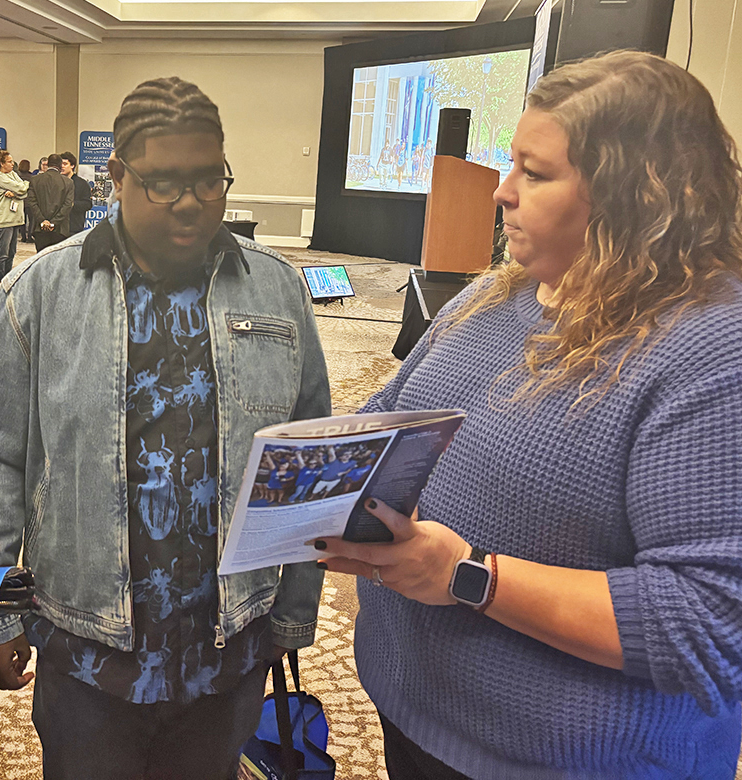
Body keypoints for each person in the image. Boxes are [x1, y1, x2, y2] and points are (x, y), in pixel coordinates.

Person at [313, 51, 742, 779]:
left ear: (633, 194)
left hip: (569, 760)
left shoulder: (710, 348)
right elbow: (389, 412)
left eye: (534, 174)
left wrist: (465, 575)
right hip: (415, 711)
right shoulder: (494, 295)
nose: (500, 193)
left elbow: (707, 625)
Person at [0, 75, 330, 780]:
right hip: (90, 652)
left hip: (231, 648)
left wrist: (294, 611)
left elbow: (305, 465)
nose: (189, 204)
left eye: (207, 180)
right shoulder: (41, 292)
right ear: (116, 176)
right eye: (161, 183)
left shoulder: (278, 291)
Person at [0, 146, 29, 282]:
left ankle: (8, 278)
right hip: (4, 219)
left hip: (16, 219)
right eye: (9, 161)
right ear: (2, 163)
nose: (12, 164)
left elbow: (24, 191)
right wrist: (21, 189)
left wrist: (17, 192)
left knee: (11, 252)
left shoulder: (13, 174)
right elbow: (21, 187)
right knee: (3, 253)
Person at [24, 153, 74, 253]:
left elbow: (32, 202)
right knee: (57, 262)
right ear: (60, 166)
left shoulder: (35, 180)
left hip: (40, 229)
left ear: (48, 165)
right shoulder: (68, 182)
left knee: (41, 260)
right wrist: (53, 223)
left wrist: (42, 220)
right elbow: (68, 205)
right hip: (60, 230)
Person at [60, 150, 93, 235]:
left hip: (74, 226)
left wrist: (72, 204)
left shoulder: (81, 183)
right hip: (58, 226)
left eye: (65, 164)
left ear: (72, 165)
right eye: (60, 164)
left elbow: (87, 204)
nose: (61, 166)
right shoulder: (57, 182)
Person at [18, 159, 35, 242]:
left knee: (22, 220)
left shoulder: (17, 176)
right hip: (29, 201)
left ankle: (23, 236)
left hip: (20, 200)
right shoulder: (31, 177)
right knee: (31, 220)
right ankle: (30, 236)